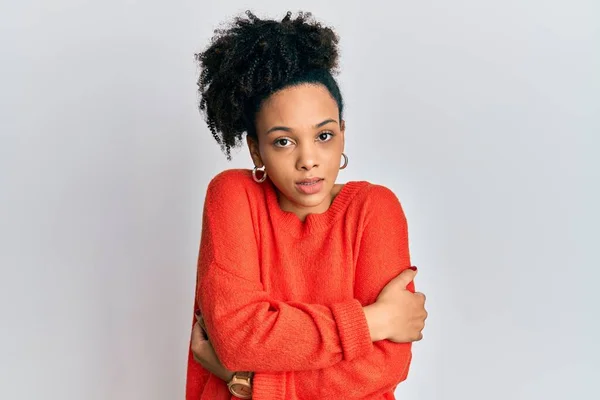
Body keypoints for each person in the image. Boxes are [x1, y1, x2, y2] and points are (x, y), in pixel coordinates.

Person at [186, 10, 428, 400]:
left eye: (324, 135)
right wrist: (374, 321)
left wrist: (253, 383)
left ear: (343, 135)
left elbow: (383, 368)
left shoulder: (374, 210)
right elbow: (236, 339)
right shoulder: (233, 196)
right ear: (256, 149)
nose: (308, 160)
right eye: (284, 141)